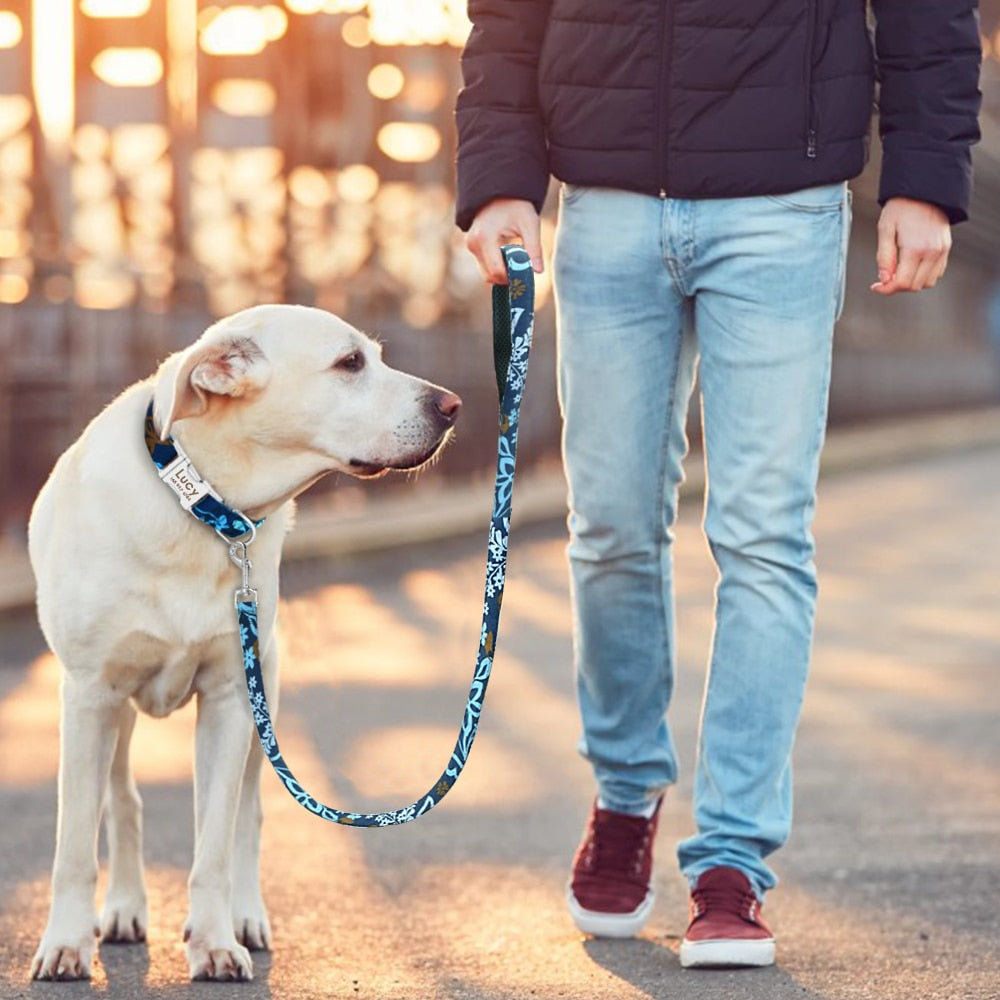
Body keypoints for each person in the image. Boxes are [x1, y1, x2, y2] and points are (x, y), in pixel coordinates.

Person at [454, 0, 982, 970]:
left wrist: (925, 176)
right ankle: (624, 794)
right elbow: (505, 17)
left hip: (783, 203)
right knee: (608, 525)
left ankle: (731, 860)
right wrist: (498, 178)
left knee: (764, 534)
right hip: (604, 202)